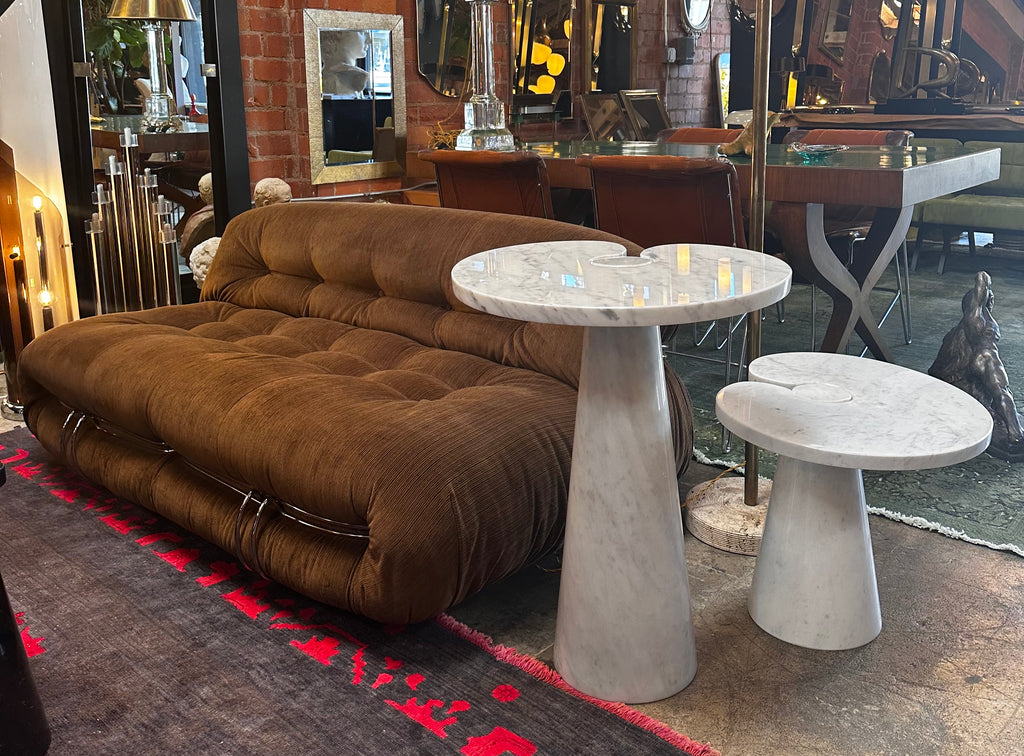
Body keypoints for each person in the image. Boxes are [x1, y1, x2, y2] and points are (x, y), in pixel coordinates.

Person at [929, 271, 1023, 457]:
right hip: (986, 357)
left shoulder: (960, 330)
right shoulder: (976, 317)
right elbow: (981, 279)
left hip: (979, 359)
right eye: (989, 297)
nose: (991, 299)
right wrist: (986, 282)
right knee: (1002, 391)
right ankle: (1015, 434)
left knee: (999, 394)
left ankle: (1012, 428)